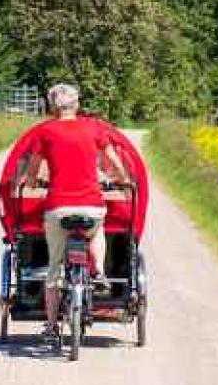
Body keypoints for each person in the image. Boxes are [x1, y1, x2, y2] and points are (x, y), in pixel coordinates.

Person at [11, 84, 129, 331]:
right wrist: (122, 178)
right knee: (96, 231)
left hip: (58, 208)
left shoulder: (45, 132)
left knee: (54, 268)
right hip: (92, 206)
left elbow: (32, 171)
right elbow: (116, 163)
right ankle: (98, 272)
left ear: (53, 106)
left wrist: (32, 182)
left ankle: (52, 324)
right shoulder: (94, 127)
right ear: (76, 104)